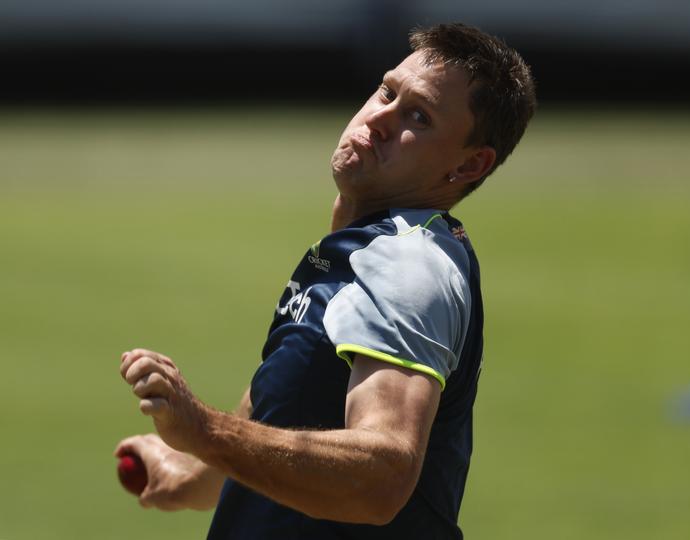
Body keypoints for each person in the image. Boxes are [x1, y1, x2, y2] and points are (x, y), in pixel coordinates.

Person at [116, 22, 535, 539]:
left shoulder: (408, 262)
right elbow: (290, 396)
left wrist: (207, 432)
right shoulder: (363, 242)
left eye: (418, 117)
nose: (378, 118)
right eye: (387, 91)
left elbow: (381, 476)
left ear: (470, 164)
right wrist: (193, 472)